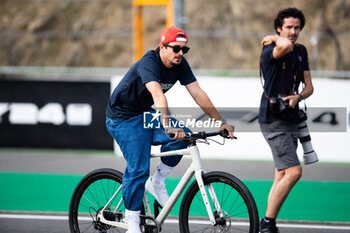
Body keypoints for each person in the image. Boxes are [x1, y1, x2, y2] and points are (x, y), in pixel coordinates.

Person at [106, 26, 235, 233]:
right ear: (162, 47)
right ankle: (132, 224)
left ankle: (157, 182)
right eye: (175, 49)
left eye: (184, 49)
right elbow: (159, 96)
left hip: (143, 113)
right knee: (139, 167)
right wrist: (167, 126)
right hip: (122, 117)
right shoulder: (149, 62)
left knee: (185, 136)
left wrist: (220, 121)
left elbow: (198, 94)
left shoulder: (180, 64)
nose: (180, 54)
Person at [258, 8, 314, 233]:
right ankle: (267, 224)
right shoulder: (271, 49)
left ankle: (267, 223)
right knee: (294, 172)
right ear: (279, 28)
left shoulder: (301, 51)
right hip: (273, 120)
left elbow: (309, 87)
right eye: (288, 27)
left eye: (297, 27)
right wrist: (274, 38)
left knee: (281, 174)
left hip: (291, 118)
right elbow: (286, 45)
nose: (293, 32)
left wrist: (298, 97)